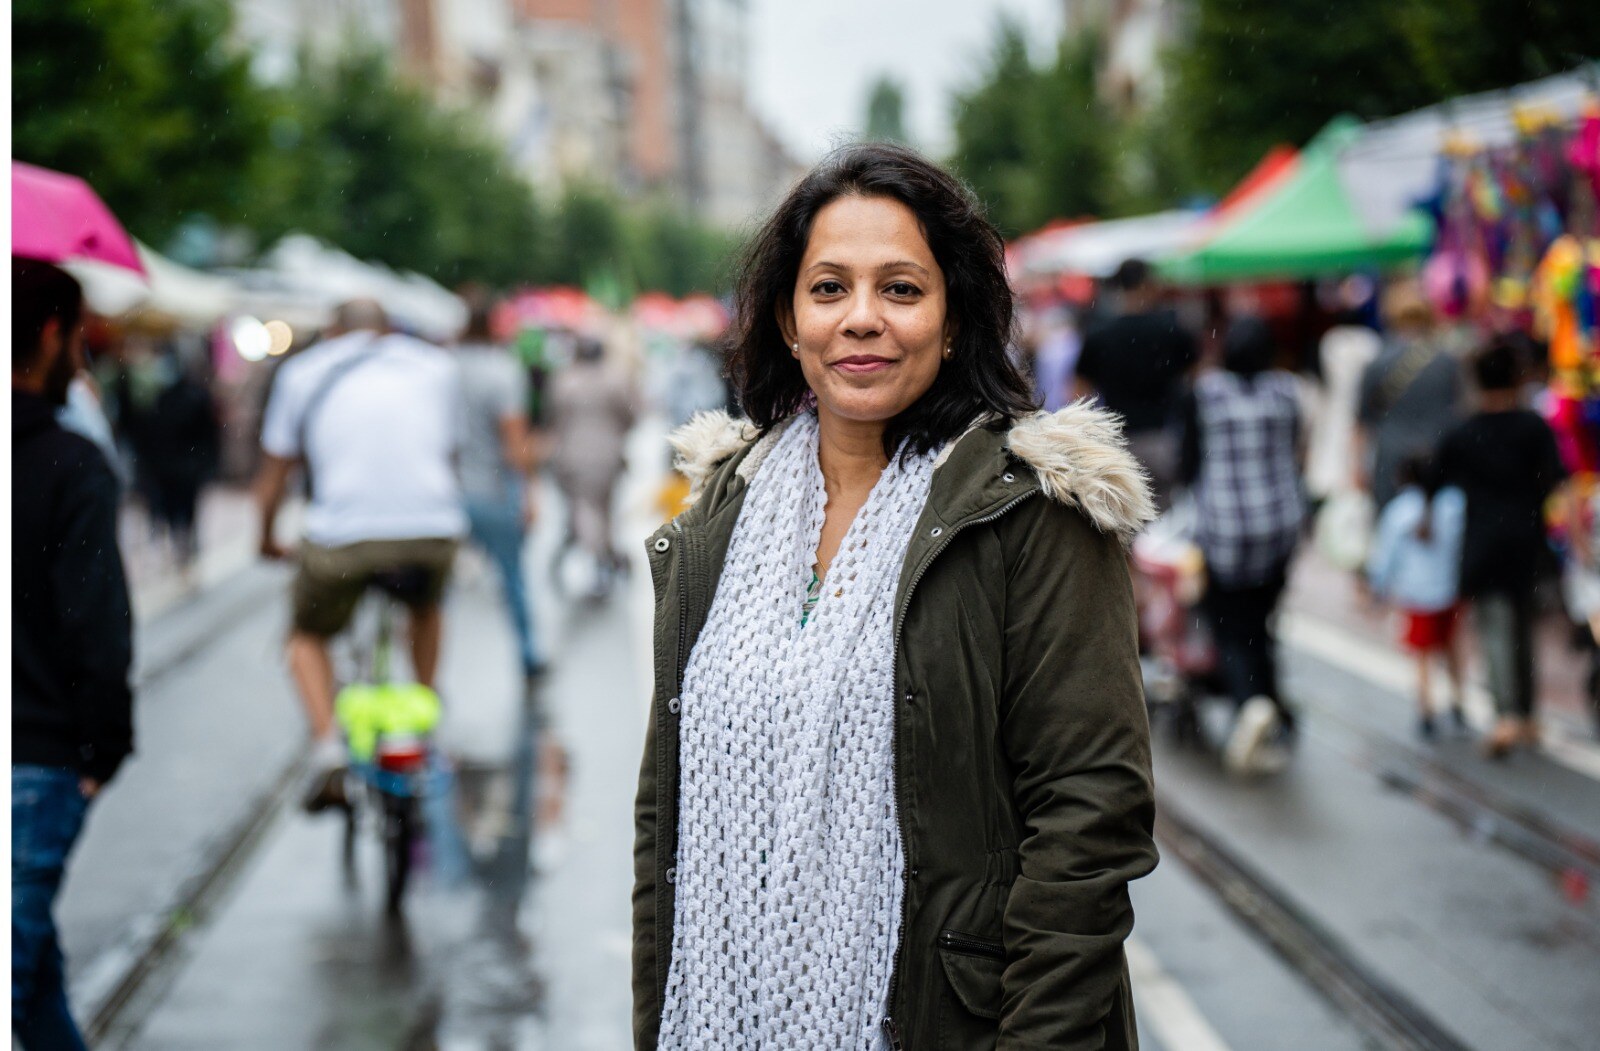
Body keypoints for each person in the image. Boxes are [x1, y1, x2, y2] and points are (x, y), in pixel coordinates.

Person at [633, 143, 1158, 1050]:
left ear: (954, 320)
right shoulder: (723, 508)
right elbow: (664, 819)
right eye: (829, 288)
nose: (862, 319)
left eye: (902, 289)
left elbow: (1089, 819)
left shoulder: (1029, 511)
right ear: (789, 321)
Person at [255, 299, 466, 810]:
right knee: (426, 605)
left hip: (341, 537)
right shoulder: (436, 367)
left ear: (333, 331)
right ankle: (424, 714)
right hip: (429, 530)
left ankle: (328, 746)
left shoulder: (304, 372)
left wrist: (264, 536)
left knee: (305, 635)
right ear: (391, 328)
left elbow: (276, 472)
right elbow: (449, 451)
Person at [12, 258, 135, 1050]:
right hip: (34, 748)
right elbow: (95, 620)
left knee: (32, 979)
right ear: (54, 334)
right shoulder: (68, 462)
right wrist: (104, 742)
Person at [1179, 316, 1305, 774]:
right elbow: (1295, 449)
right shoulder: (1287, 392)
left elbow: (1190, 460)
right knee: (1263, 619)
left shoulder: (1205, 393)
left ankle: (1249, 704)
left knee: (1229, 624)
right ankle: (1273, 705)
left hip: (1226, 526)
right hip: (1278, 523)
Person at [1437, 340, 1571, 757]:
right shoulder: (1533, 427)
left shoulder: (1463, 431)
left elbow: (1435, 477)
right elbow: (1557, 480)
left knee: (1494, 625)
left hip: (1482, 539)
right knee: (1523, 625)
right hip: (1527, 538)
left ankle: (1506, 714)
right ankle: (1527, 713)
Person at [453, 290, 546, 682]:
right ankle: (528, 653)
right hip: (490, 491)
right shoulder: (501, 370)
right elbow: (514, 442)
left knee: (433, 593)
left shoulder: (442, 366)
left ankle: (421, 672)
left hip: (444, 494)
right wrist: (528, 492)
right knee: (513, 577)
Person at [1076, 257, 1199, 508]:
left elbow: (1079, 391)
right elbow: (1197, 377)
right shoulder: (1171, 330)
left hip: (1118, 440)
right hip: (1165, 437)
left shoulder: (1100, 334)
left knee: (1126, 516)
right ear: (1148, 284)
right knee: (1167, 519)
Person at [1365, 454, 1468, 739]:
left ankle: (1426, 711)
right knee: (1451, 647)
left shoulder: (1399, 512)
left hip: (1418, 595)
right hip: (1450, 591)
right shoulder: (1454, 504)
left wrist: (1378, 590)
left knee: (1422, 656)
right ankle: (1458, 703)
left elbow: (1385, 558)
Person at [1356, 279, 1463, 510]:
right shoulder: (1447, 361)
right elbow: (1460, 412)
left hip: (1391, 462)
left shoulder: (1377, 362)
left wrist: (1358, 470)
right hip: (1436, 457)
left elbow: (1363, 424)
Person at [547, 335, 636, 599]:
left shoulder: (564, 380)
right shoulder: (616, 379)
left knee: (583, 509)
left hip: (572, 458)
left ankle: (596, 554)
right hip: (607, 457)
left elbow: (553, 419)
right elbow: (632, 415)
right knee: (603, 511)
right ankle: (600, 554)